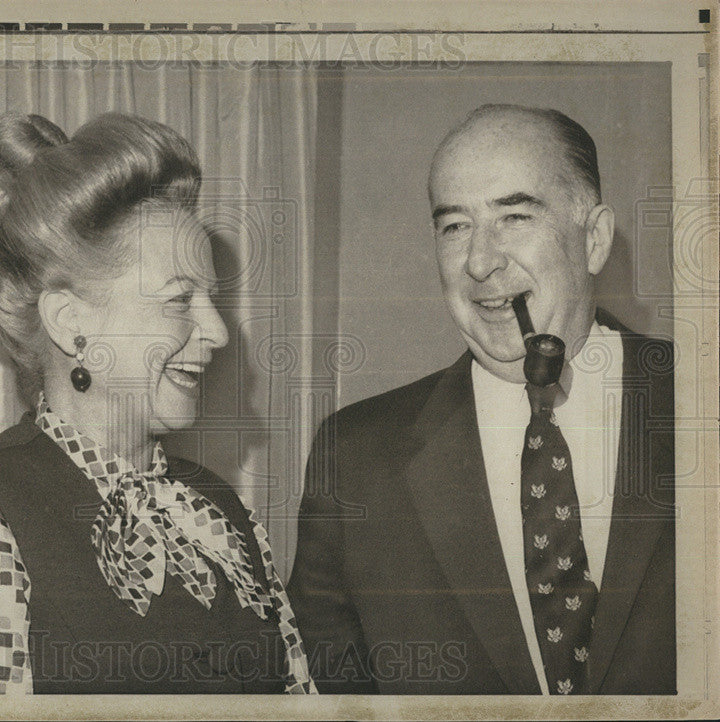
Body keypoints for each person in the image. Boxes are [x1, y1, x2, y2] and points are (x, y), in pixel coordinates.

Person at [0, 112, 315, 694]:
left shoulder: (221, 509)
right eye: (178, 300)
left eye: (210, 300)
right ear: (70, 323)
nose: (216, 331)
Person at [288, 104, 674, 695]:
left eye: (514, 216)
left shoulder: (701, 398)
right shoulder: (357, 459)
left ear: (594, 239)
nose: (479, 261)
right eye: (455, 226)